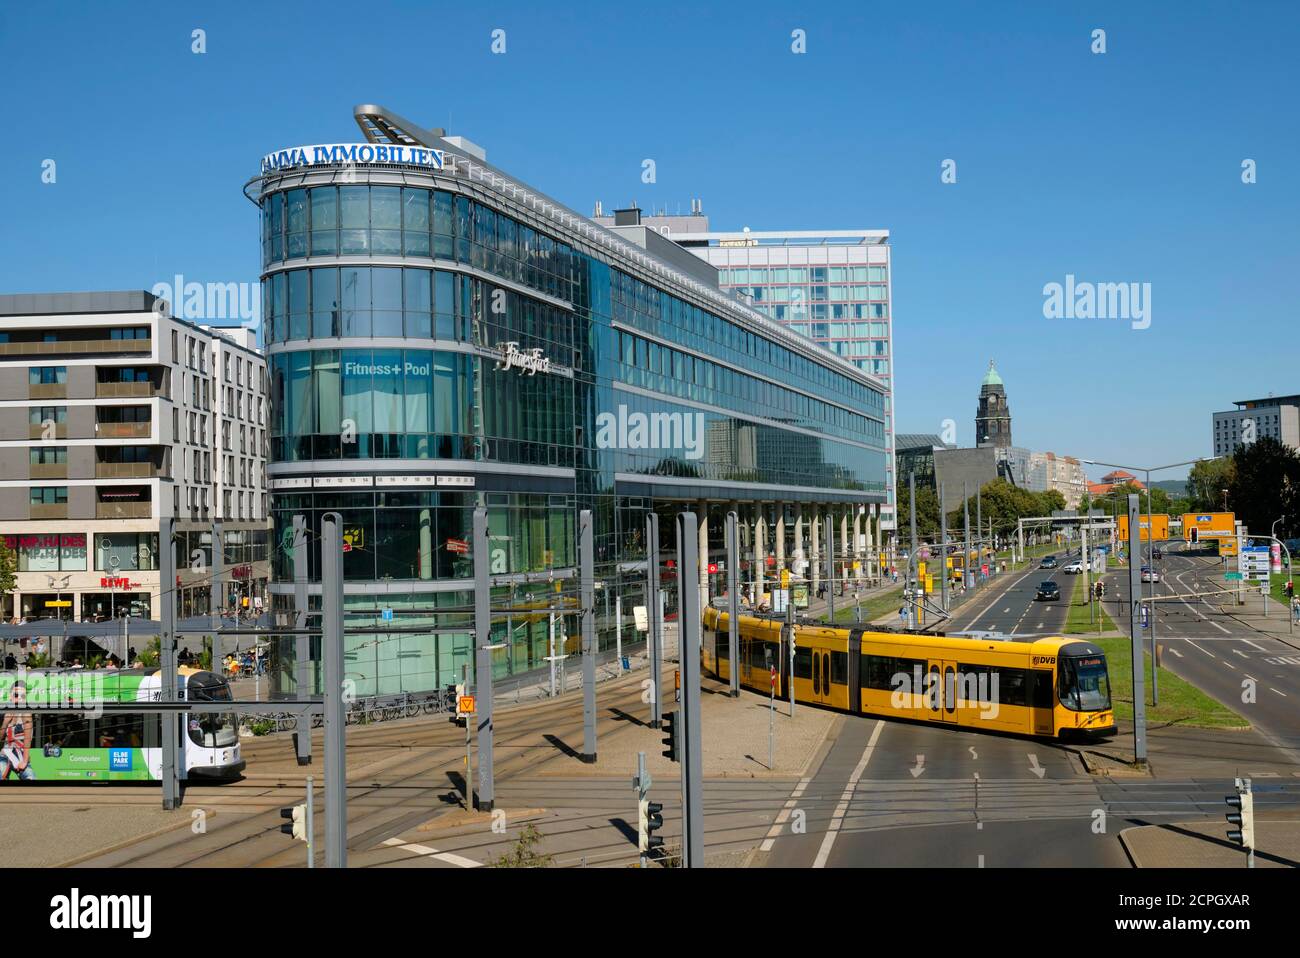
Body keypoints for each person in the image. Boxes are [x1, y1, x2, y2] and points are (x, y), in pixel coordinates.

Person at [0, 681, 35, 781]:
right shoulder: (6, 712)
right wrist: (5, 722)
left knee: (31, 779)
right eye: (16, 695)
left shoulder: (26, 713)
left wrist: (24, 761)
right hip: (5, 755)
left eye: (23, 696)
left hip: (20, 756)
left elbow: (28, 739)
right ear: (10, 696)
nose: (19, 698)